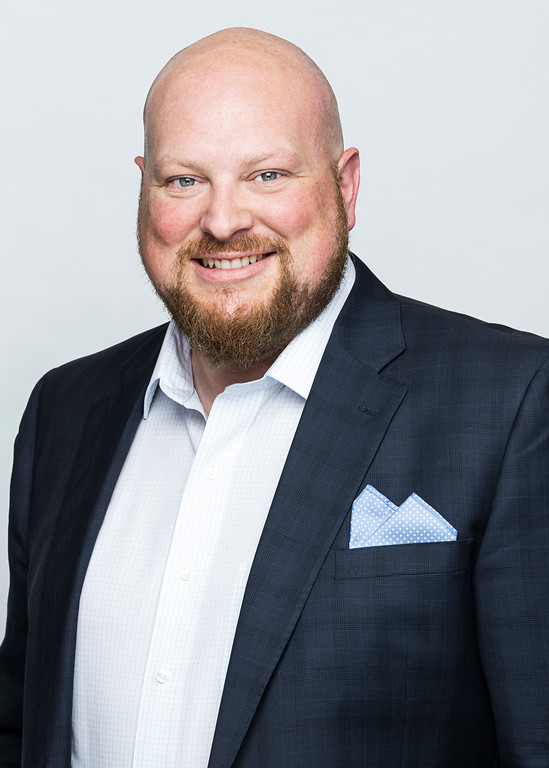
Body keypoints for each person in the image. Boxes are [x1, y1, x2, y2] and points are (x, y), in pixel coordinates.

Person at [1, 26, 548, 768]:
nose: (223, 221)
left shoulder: (509, 401)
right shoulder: (65, 413)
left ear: (344, 185)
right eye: (184, 180)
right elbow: (21, 724)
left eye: (266, 175)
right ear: (143, 186)